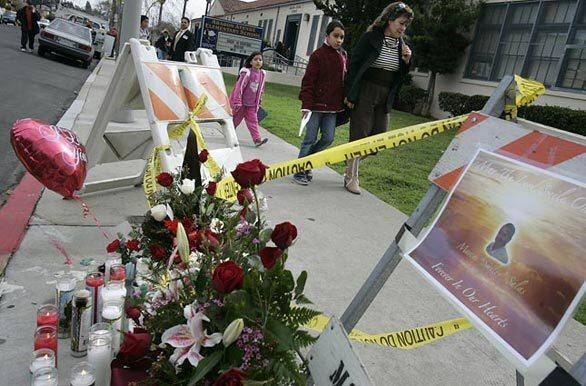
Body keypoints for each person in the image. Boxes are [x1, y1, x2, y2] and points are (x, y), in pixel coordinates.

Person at [343, 2, 413, 194]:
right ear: (390, 20)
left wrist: (407, 61)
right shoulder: (371, 37)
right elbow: (354, 65)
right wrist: (351, 93)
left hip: (385, 94)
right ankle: (351, 177)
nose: (402, 28)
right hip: (366, 89)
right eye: (400, 23)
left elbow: (400, 75)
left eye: (405, 25)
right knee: (359, 136)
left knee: (379, 140)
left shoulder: (403, 45)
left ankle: (349, 160)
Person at [293, 20, 347, 185]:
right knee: (309, 139)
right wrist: (306, 106)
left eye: (342, 37)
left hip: (333, 107)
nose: (339, 40)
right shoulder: (317, 55)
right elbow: (308, 82)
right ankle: (299, 171)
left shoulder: (343, 56)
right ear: (327, 36)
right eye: (335, 36)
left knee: (328, 138)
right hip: (315, 107)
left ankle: (307, 162)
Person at [229, 51, 269, 147]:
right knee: (235, 121)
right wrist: (237, 101)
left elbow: (261, 89)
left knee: (253, 122)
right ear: (251, 62)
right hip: (241, 103)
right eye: (255, 59)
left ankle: (257, 140)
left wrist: (259, 100)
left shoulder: (262, 74)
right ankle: (229, 134)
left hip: (252, 105)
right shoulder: (247, 73)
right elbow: (239, 87)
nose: (258, 62)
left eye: (260, 60)